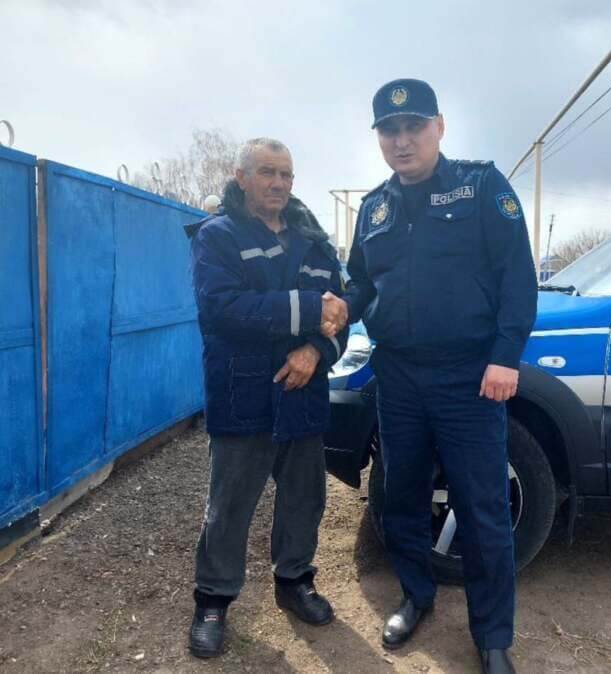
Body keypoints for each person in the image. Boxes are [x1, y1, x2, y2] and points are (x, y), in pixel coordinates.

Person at [343, 78, 536, 674]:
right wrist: (337, 309)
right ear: (379, 138)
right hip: (398, 376)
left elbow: (517, 276)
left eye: (414, 127)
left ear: (439, 127)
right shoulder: (374, 207)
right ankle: (415, 597)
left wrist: (505, 355)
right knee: (401, 496)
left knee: (483, 507)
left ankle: (493, 636)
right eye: (389, 131)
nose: (402, 141)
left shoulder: (481, 186)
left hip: (469, 377)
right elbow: (361, 282)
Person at [184, 138, 350, 658]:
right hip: (244, 391)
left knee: (305, 498)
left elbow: (341, 316)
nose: (279, 183)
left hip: (304, 390)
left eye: (286, 174)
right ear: (241, 177)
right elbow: (224, 309)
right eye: (267, 172)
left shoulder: (314, 241)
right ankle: (213, 599)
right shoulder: (218, 236)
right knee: (229, 504)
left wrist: (317, 351)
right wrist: (310, 310)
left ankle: (294, 580)